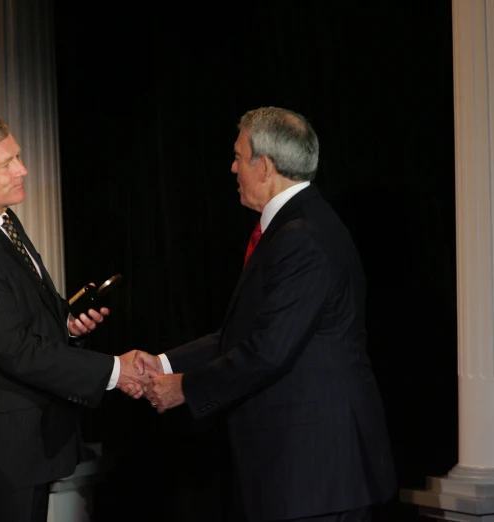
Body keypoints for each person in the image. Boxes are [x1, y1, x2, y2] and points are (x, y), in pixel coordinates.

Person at [133, 106, 397, 522]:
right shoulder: (297, 226)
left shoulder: (302, 237)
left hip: (317, 475)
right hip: (305, 475)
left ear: (265, 166)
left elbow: (268, 350)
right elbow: (246, 333)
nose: (232, 167)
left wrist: (185, 387)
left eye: (238, 157)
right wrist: (164, 363)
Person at [0, 113, 145, 522]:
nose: (22, 169)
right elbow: (16, 350)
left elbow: (20, 310)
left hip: (18, 451)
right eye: (6, 163)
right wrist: (115, 370)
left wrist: (64, 323)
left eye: (19, 157)